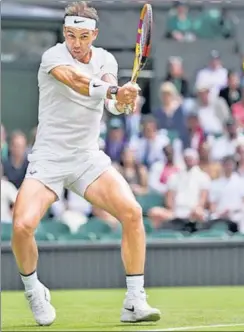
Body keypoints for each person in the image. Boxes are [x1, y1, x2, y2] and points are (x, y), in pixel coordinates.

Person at [11, 1, 160, 327]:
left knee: (133, 213)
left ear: (94, 34)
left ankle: (135, 300)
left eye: (82, 36)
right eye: (69, 35)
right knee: (22, 226)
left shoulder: (105, 59)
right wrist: (113, 90)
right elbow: (78, 82)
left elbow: (110, 95)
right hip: (49, 158)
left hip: (87, 157)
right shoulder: (53, 57)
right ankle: (34, 290)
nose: (75, 43)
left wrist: (121, 99)